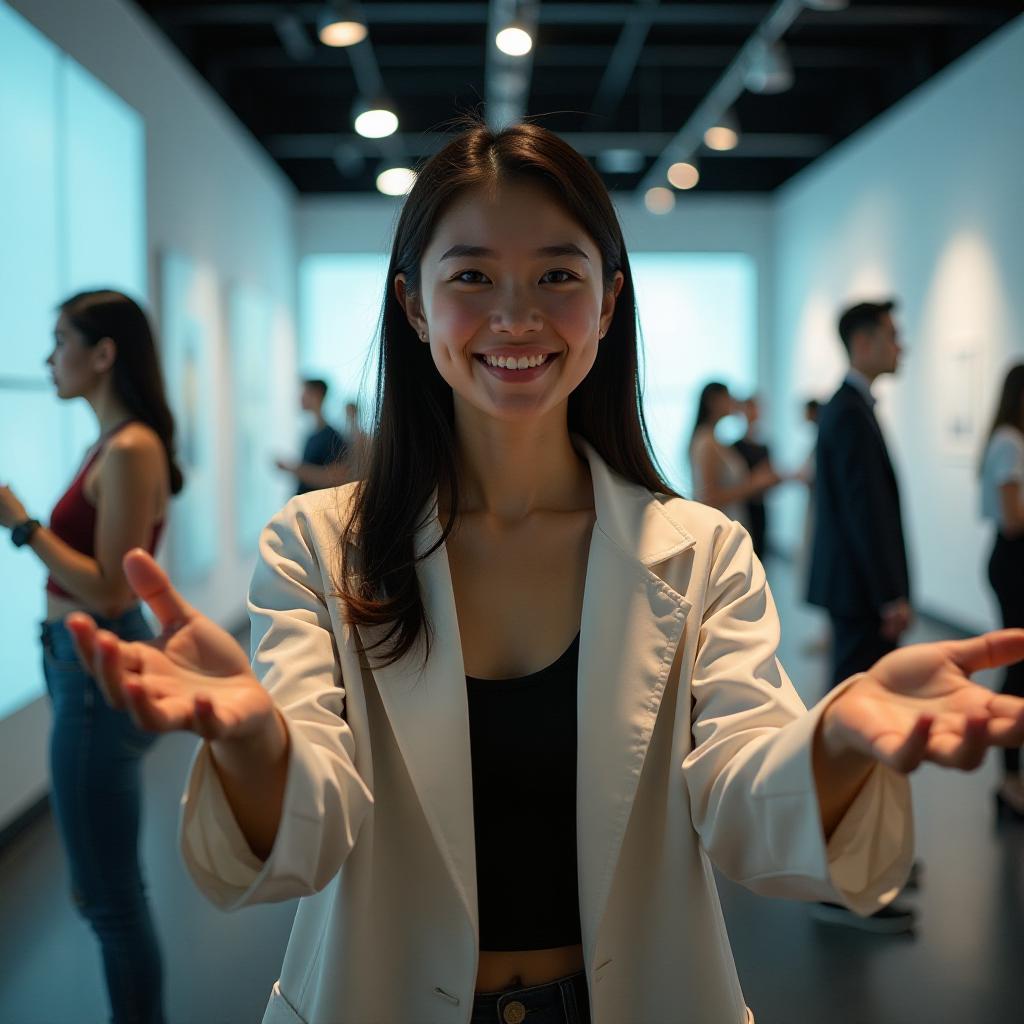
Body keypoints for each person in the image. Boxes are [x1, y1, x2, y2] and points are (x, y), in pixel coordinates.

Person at [64, 124, 1024, 1024]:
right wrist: (253, 744)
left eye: (557, 275)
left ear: (608, 301)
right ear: (413, 301)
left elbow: (740, 800)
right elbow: (309, 831)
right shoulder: (319, 546)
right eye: (471, 275)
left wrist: (836, 742)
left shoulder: (699, 552)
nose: (516, 316)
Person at [0, 290, 182, 1024]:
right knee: (104, 892)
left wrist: (22, 526)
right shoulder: (110, 444)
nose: (48, 359)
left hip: (95, 667)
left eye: (60, 341)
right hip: (77, 664)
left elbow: (110, 588)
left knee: (109, 900)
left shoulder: (132, 446)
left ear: (103, 354)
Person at [979, 363, 1024, 820]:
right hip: (1014, 562)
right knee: (1018, 666)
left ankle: (1013, 776)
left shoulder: (1008, 440)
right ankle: (1009, 779)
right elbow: (1013, 518)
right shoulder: (1010, 442)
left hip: (1009, 559)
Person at [688, 381, 779, 534]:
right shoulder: (706, 442)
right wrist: (754, 484)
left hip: (730, 523)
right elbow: (710, 497)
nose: (732, 401)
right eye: (727, 397)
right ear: (713, 402)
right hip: (721, 529)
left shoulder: (715, 439)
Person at [274, 378, 350, 493]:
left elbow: (336, 478)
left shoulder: (332, 437)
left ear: (316, 395)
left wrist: (294, 468)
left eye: (305, 392)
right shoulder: (312, 435)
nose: (300, 397)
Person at [731, 394, 776, 558]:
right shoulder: (735, 447)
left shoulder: (764, 446)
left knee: (760, 552)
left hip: (760, 506)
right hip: (743, 505)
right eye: (750, 408)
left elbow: (770, 477)